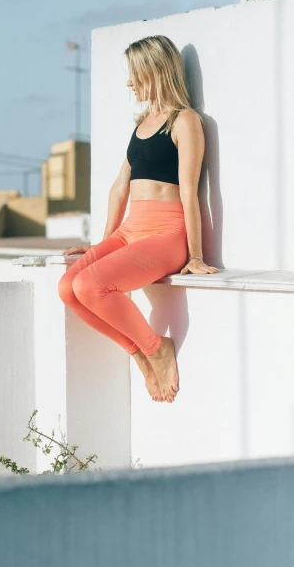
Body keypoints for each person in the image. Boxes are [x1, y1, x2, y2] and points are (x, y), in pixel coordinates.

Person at [58, 35, 219, 404]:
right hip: (131, 230)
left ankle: (157, 349)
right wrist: (104, 240)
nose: (130, 83)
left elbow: (190, 191)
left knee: (90, 287)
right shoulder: (143, 123)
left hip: (166, 233)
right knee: (68, 287)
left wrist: (195, 254)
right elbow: (119, 186)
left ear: (155, 71)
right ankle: (141, 354)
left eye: (135, 74)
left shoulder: (186, 121)